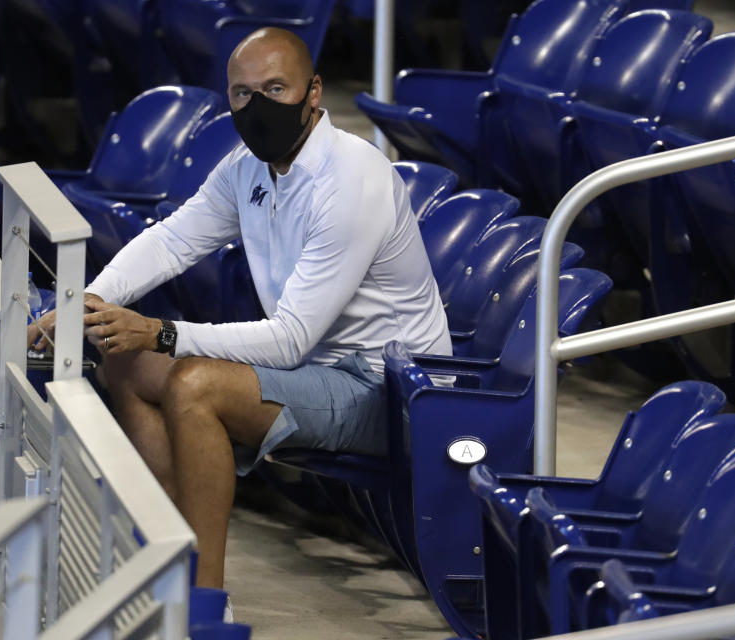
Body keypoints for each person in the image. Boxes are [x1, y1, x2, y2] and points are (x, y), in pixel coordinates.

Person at [29, 27, 451, 595]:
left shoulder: (353, 181)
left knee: (195, 385)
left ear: (314, 92)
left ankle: (202, 601)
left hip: (387, 388)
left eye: (275, 89)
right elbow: (173, 240)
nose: (257, 107)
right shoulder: (247, 168)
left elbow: (290, 340)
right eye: (242, 94)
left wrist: (159, 333)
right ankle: (170, 555)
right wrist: (89, 304)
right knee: (122, 362)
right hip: (317, 370)